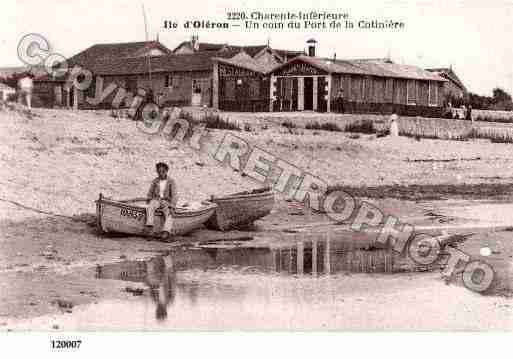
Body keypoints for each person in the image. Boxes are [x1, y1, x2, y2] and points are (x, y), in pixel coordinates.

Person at [146, 162, 177, 240]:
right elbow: (150, 192)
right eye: (159, 171)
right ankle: (150, 229)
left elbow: (174, 195)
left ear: (166, 171)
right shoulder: (155, 181)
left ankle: (166, 232)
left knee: (169, 213)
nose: (161, 173)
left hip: (166, 201)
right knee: (150, 207)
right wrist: (149, 199)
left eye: (163, 171)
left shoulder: (171, 181)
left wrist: (172, 206)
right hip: (156, 200)